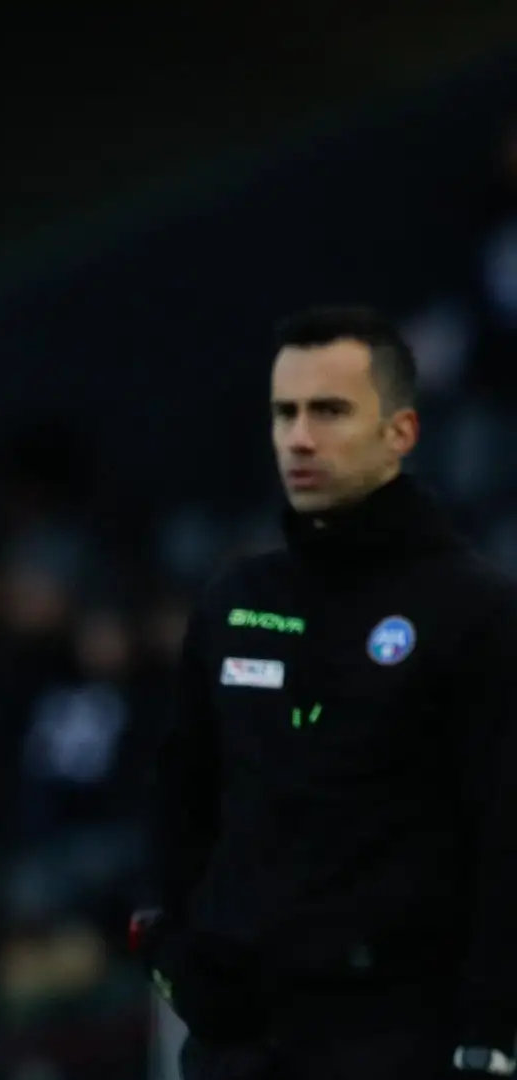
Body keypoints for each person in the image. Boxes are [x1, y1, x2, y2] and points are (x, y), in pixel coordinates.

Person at [144, 307, 517, 1079]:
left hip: (401, 1043)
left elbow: (506, 839)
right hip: (237, 1048)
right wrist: (172, 954)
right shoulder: (233, 603)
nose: (300, 438)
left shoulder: (477, 612)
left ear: (401, 432)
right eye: (285, 413)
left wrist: (490, 1039)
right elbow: (180, 803)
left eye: (330, 411)